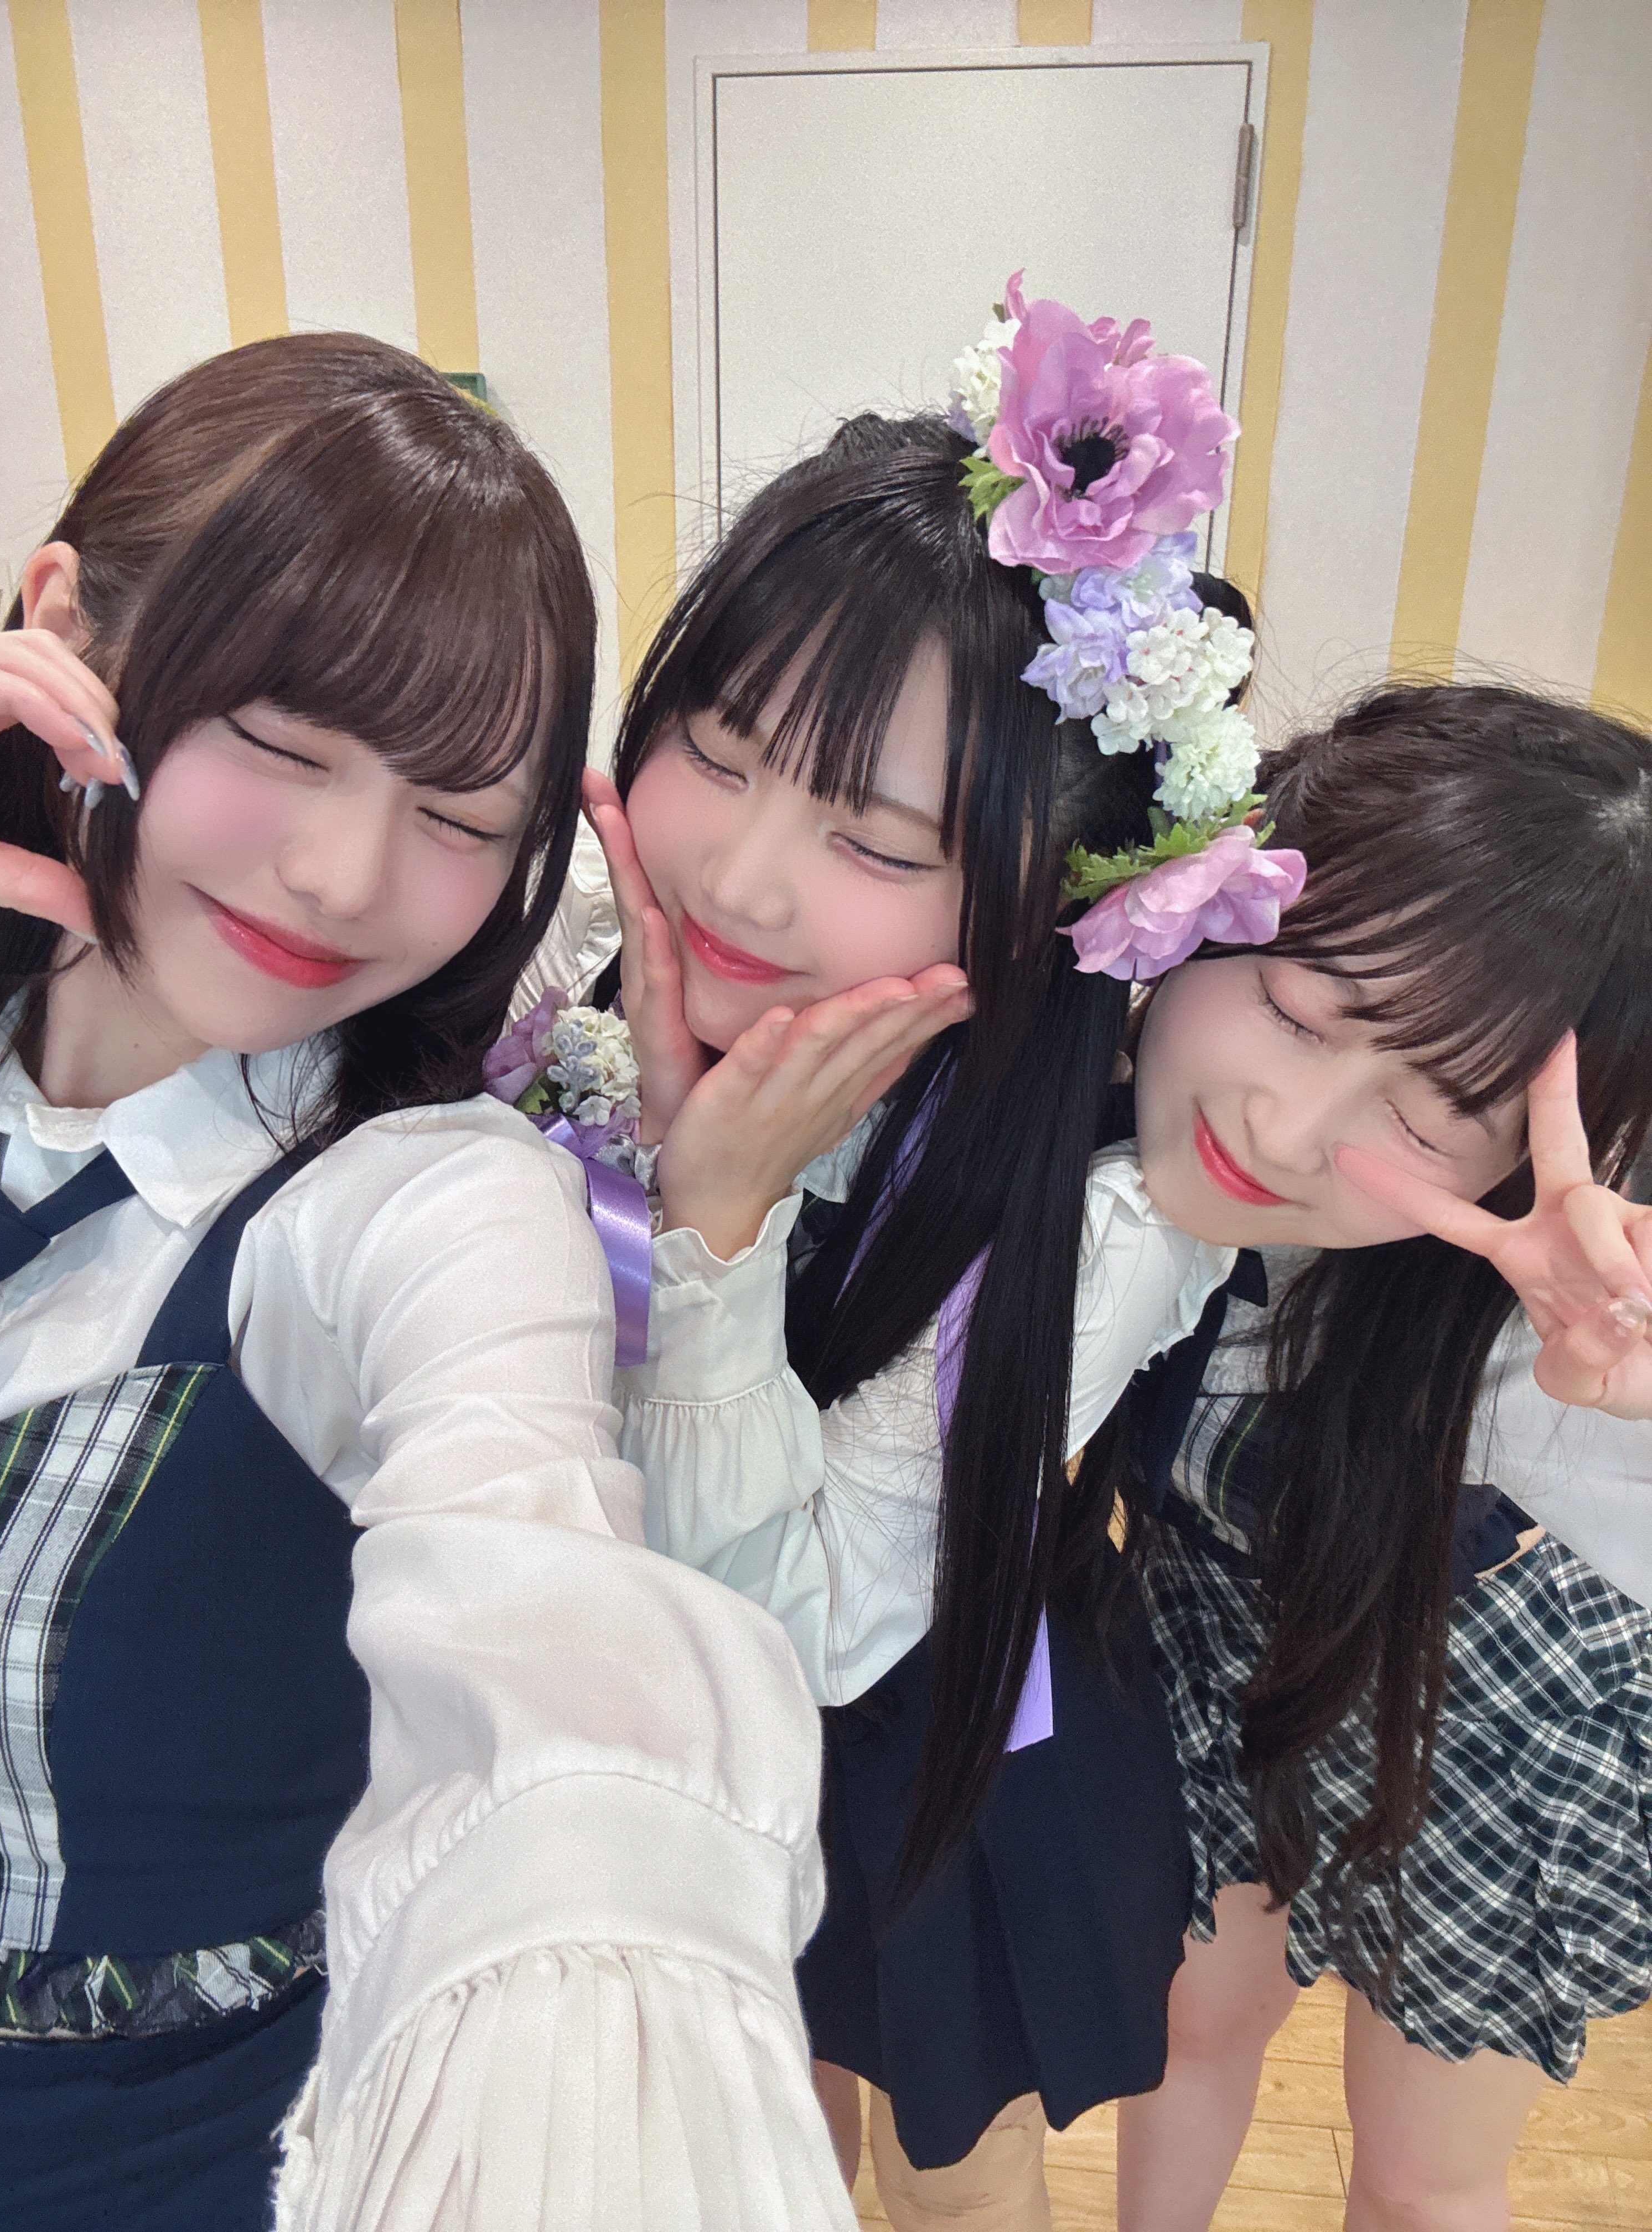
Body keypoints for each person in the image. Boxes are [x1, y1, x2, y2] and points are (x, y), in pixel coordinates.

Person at [0, 333, 856, 2230]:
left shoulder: (429, 1201)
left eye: (460, 817)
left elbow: (545, 1619)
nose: (341, 875)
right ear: (61, 629)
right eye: (282, 743)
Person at [562, 282, 1299, 2228]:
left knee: (950, 2174)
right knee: (762, 2118)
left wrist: (715, 1224)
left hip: (932, 1744)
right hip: (675, 1735)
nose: (739, 877)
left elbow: (811, 1623)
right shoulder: (615, 982)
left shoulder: (1096, 1213)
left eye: (879, 845)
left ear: (1042, 893)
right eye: (718, 746)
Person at [1109, 681, 1652, 2232]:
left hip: (1478, 1701)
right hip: (1209, 1635)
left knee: (1422, 2170)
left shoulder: (1539, 1339)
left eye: (1429, 1114)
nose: (1285, 1132)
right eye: (1298, 1010)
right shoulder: (1087, 1121)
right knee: (1183, 2030)